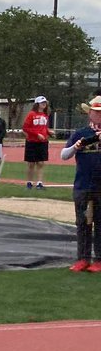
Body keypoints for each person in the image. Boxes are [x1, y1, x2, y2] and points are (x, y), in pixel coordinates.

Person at [62, 96, 101, 272]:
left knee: (100, 223)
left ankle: (99, 259)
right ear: (90, 114)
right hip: (83, 185)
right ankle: (83, 258)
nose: (98, 115)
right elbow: (64, 155)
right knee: (83, 223)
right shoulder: (81, 133)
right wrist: (77, 146)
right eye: (96, 112)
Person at [23, 96, 51, 190]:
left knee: (40, 163)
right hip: (32, 141)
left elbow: (44, 127)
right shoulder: (31, 114)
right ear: (37, 104)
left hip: (42, 142)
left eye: (45, 102)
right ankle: (29, 182)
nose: (44, 104)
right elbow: (26, 128)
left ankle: (39, 183)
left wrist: (48, 132)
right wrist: (36, 134)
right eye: (42, 102)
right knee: (31, 163)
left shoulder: (45, 115)